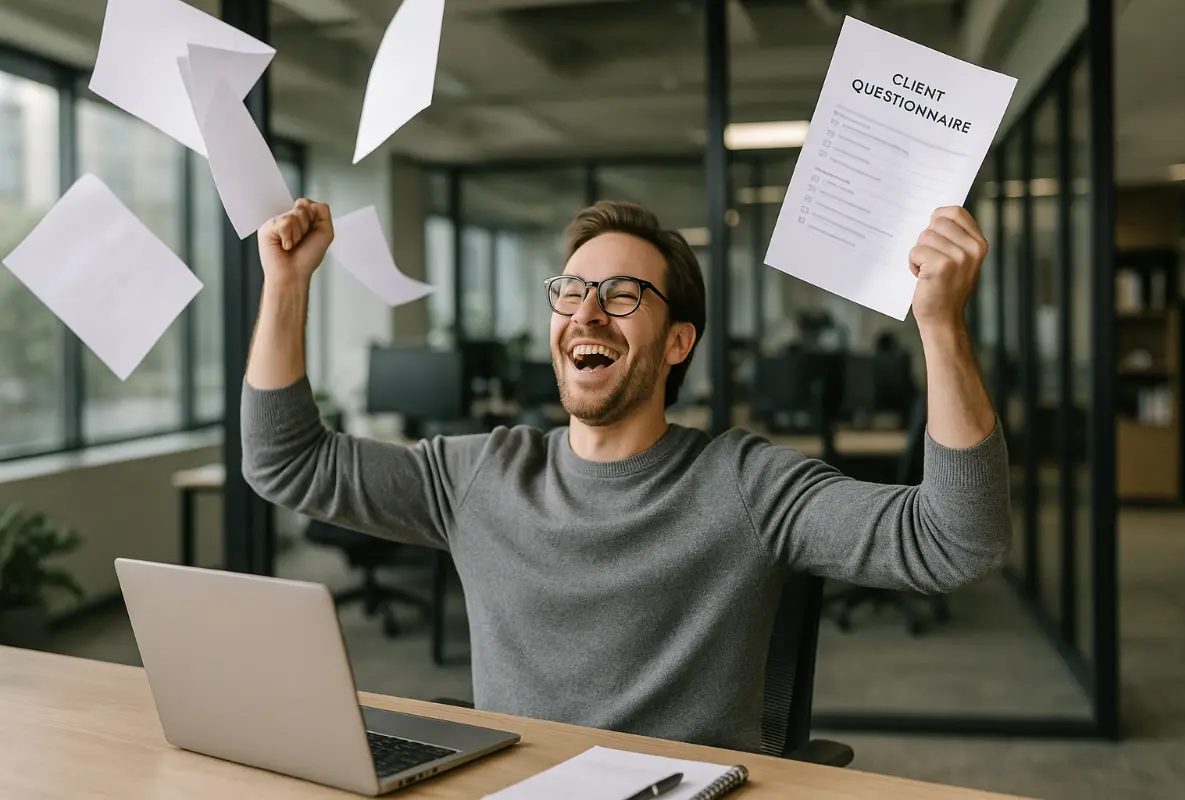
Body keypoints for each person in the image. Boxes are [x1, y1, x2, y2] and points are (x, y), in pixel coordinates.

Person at [241, 198, 1011, 753]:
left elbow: (955, 540)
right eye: (571, 292)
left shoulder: (747, 486)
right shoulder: (479, 475)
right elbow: (287, 461)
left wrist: (939, 327)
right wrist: (286, 285)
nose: (587, 312)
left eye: (621, 295)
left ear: (678, 343)